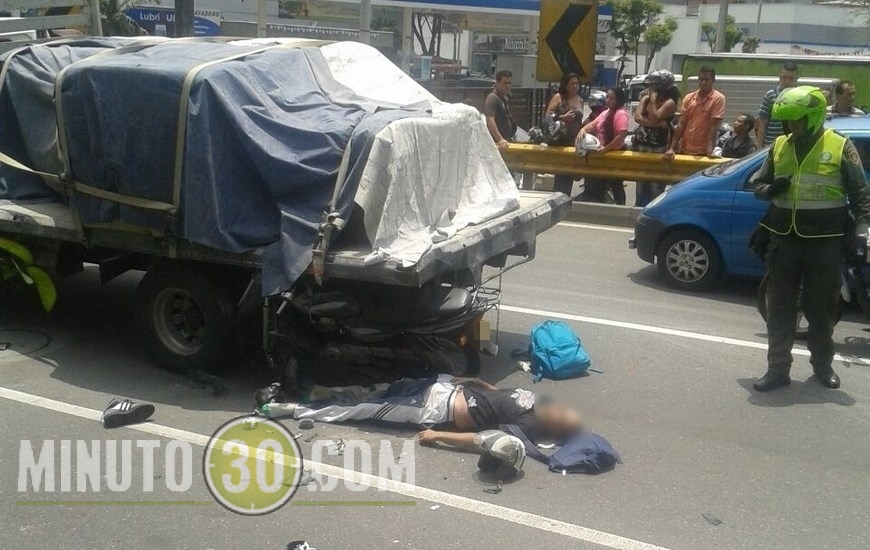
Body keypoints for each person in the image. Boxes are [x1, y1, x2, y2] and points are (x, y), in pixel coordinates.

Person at [752, 86, 870, 392]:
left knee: (820, 309)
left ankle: (822, 366)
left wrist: (861, 231)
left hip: (825, 242)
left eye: (797, 119)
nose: (791, 126)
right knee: (780, 307)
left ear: (815, 117)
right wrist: (770, 189)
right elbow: (758, 185)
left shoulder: (840, 145)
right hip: (784, 242)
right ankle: (777, 369)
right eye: (788, 120)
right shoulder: (779, 145)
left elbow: (860, 194)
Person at [255, 376, 583, 445]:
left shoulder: (527, 426)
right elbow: (501, 397)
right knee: (369, 389)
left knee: (357, 410)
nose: (558, 408)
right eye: (563, 408)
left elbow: (485, 439)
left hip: (428, 409)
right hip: (440, 387)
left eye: (561, 416)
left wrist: (439, 434)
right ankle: (311, 388)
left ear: (553, 429)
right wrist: (479, 383)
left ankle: (285, 408)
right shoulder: (536, 401)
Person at [633, 70, 680, 206]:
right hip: (642, 147)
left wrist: (653, 100)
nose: (650, 88)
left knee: (655, 188)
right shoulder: (644, 99)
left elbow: (654, 116)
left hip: (658, 149)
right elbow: (637, 117)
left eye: (653, 86)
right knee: (641, 186)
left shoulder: (669, 103)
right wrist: (656, 123)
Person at [576, 87, 629, 205]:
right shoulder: (605, 113)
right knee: (598, 185)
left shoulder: (620, 114)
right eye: (607, 97)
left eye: (612, 98)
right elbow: (592, 125)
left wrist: (606, 149)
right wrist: (582, 130)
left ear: (618, 100)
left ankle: (620, 209)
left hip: (615, 154)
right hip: (602, 154)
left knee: (616, 184)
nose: (608, 100)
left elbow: (621, 136)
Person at [664, 66, 726, 160]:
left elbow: (714, 126)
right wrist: (672, 148)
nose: (703, 82)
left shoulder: (718, 98)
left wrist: (709, 151)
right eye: (701, 79)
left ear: (713, 81)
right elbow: (681, 124)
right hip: (685, 149)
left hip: (703, 152)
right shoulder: (689, 98)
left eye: (707, 80)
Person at [547, 73, 585, 196]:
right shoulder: (558, 97)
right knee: (561, 178)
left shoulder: (580, 100)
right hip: (560, 141)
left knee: (570, 175)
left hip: (574, 142)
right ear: (565, 85)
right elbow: (547, 118)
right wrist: (562, 117)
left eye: (577, 83)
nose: (575, 86)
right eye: (572, 83)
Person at [755, 61, 798, 147]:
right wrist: (759, 147)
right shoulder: (771, 94)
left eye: (791, 78)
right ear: (779, 77)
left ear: (796, 78)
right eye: (784, 77)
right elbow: (763, 122)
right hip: (771, 144)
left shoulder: (800, 96)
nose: (787, 81)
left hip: (792, 145)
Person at [484, 70, 516, 149]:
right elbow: (490, 121)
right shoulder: (492, 98)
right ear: (497, 83)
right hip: (497, 145)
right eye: (504, 83)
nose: (507, 86)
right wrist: (500, 139)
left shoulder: (504, 98)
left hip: (506, 142)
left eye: (509, 83)